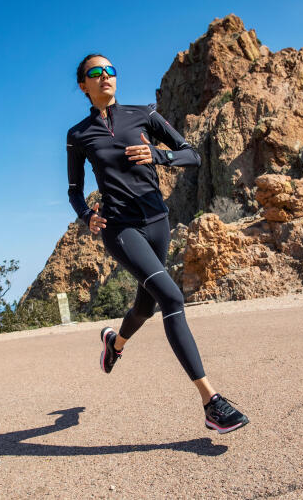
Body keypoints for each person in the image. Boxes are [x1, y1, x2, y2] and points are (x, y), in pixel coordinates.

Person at [66, 54, 249, 434]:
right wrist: (87, 215)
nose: (105, 77)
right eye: (95, 73)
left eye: (110, 71)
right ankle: (212, 403)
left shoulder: (144, 115)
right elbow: (73, 189)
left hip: (158, 221)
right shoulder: (78, 134)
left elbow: (192, 155)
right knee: (172, 298)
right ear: (83, 85)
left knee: (145, 304)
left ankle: (114, 343)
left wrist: (158, 155)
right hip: (120, 228)